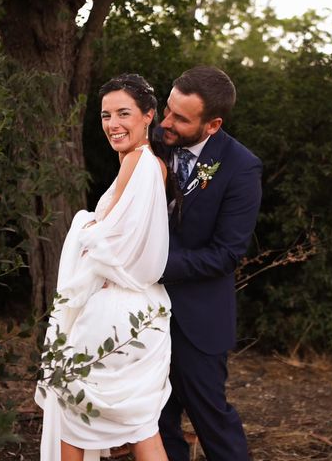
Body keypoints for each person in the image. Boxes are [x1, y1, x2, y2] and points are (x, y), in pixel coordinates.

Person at [35, 74, 172, 461]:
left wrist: (84, 225)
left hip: (115, 309)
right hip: (147, 311)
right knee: (142, 425)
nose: (113, 124)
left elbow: (112, 244)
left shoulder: (138, 161)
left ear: (149, 116)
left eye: (124, 113)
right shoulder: (153, 164)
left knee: (70, 413)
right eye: (106, 115)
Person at [156, 66, 262, 460]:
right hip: (142, 312)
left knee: (212, 421)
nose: (165, 122)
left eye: (180, 119)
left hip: (197, 319)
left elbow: (226, 253)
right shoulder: (154, 142)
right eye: (167, 109)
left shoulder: (240, 167)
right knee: (153, 420)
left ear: (212, 124)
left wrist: (153, 265)